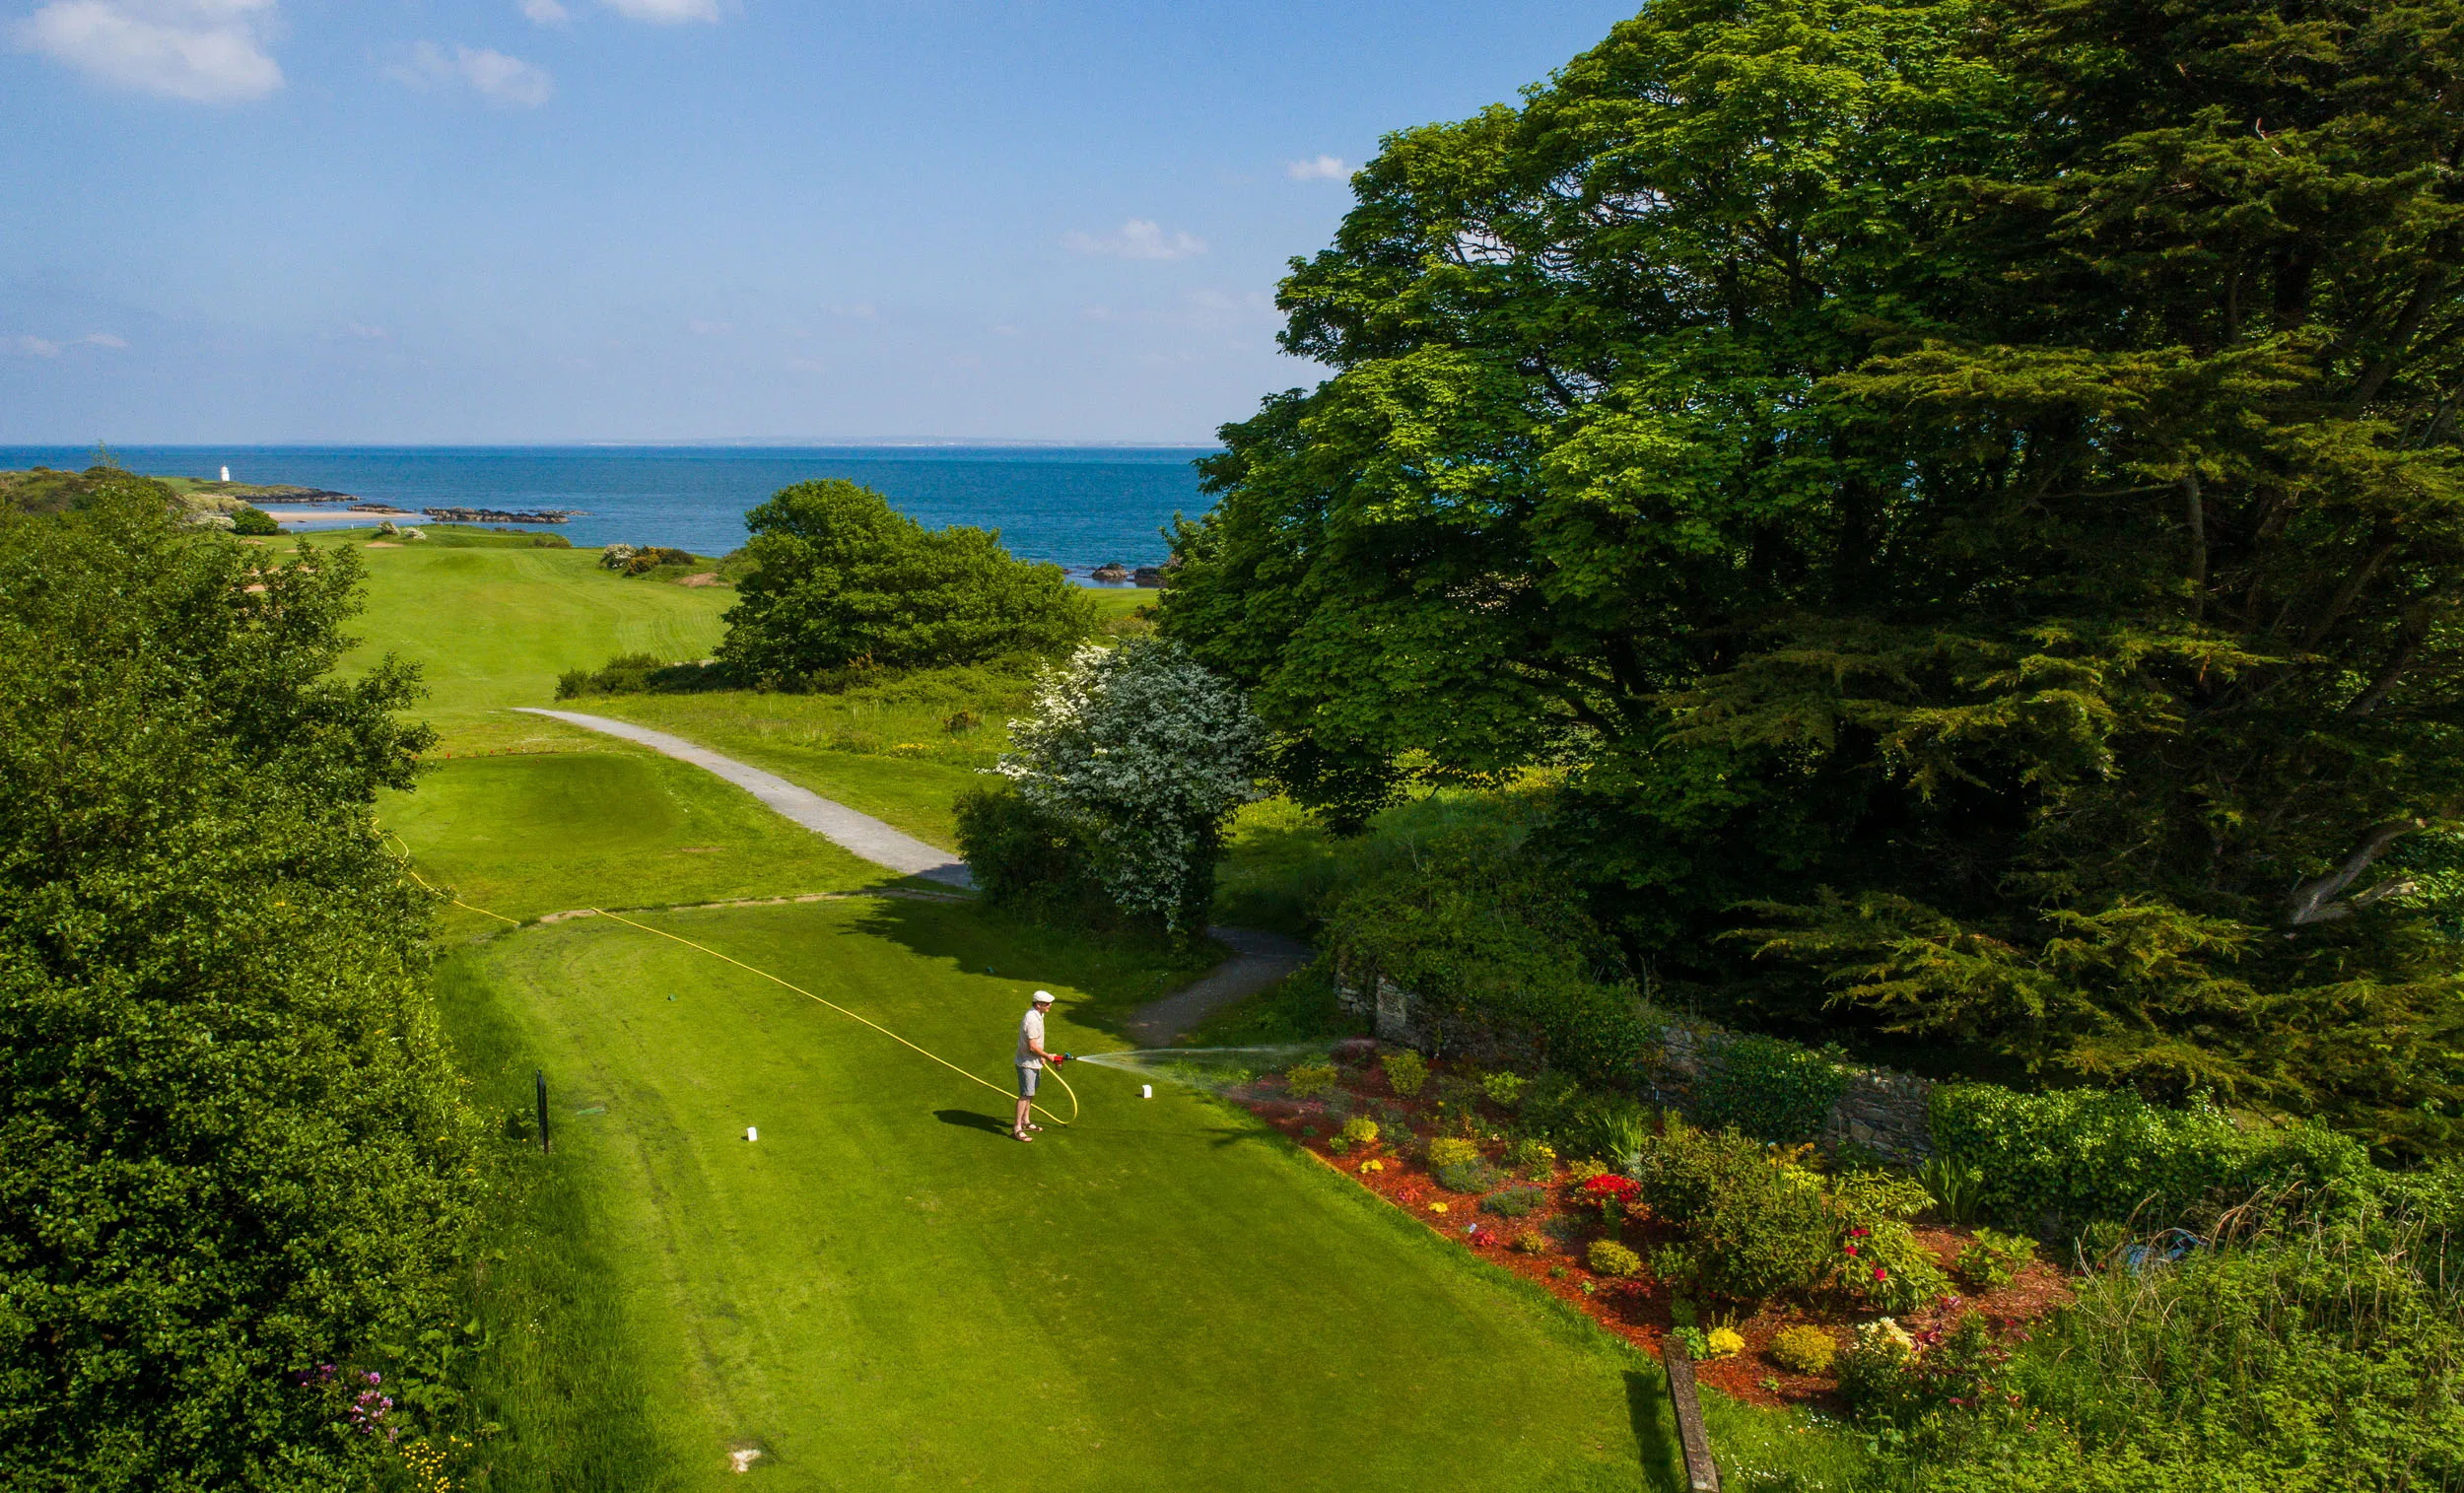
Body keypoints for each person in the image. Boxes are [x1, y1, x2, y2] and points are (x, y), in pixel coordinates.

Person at [1014, 989, 1063, 1142]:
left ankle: (1026, 1121)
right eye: (1047, 1004)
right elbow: (1032, 1046)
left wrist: (1041, 1057)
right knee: (1025, 1095)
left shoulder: (1039, 1015)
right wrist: (1047, 1056)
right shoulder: (1032, 1019)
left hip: (1034, 1061)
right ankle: (1017, 1128)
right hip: (1027, 1063)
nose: (1050, 1006)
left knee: (1031, 1093)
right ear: (1038, 1004)